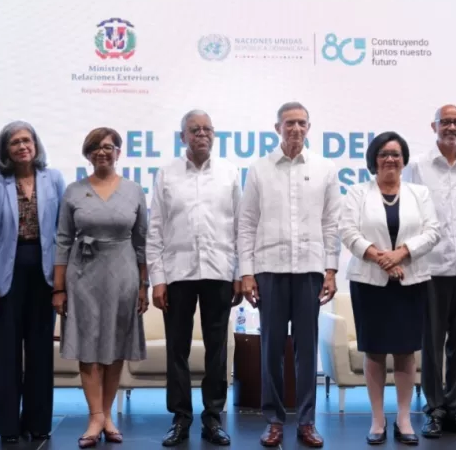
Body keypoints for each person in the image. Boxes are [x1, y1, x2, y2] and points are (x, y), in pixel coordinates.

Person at [238, 102, 341, 448]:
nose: (296, 128)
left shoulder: (325, 168)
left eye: (301, 123)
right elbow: (247, 223)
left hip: (310, 269)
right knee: (270, 349)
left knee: (307, 349)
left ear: (309, 127)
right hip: (269, 269)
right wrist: (247, 272)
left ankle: (307, 421)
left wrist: (330, 270)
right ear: (277, 127)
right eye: (289, 123)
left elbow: (331, 223)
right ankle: (274, 421)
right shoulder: (259, 169)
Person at [147, 110, 243, 447]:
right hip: (177, 272)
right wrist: (158, 279)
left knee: (217, 348)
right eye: (194, 130)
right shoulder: (167, 173)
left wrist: (239, 273)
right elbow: (156, 227)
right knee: (177, 348)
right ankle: (180, 418)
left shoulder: (229, 172)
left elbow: (240, 227)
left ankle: (213, 417)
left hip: (219, 270)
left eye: (207, 129)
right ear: (183, 137)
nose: (201, 134)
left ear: (214, 134)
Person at [340, 131, 440, 446]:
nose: (390, 159)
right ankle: (378, 419)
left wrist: (401, 254)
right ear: (374, 159)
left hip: (411, 281)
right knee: (374, 352)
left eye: (396, 154)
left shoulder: (419, 193)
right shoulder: (357, 192)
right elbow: (348, 231)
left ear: (404, 160)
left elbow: (433, 232)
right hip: (369, 282)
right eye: (384, 154)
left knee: (406, 352)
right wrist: (382, 259)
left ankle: (404, 419)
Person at [54, 127, 149, 448]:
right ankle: (95, 416)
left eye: (109, 147)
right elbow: (63, 240)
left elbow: (142, 241)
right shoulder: (73, 191)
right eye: (96, 147)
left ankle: (107, 415)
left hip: (123, 274)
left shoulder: (134, 191)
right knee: (88, 346)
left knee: (115, 345)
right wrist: (58, 288)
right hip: (82, 275)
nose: (102, 152)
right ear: (88, 154)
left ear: (119, 152)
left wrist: (144, 285)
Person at [0, 121, 67, 444]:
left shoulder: (53, 179)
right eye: (14, 142)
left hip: (45, 274)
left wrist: (62, 282)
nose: (22, 146)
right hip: (8, 274)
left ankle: (38, 422)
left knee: (41, 351)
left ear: (35, 144)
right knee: (7, 352)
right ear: (6, 150)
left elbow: (63, 232)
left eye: (26, 140)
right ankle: (7, 425)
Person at [405, 105, 456, 439]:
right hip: (431, 266)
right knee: (432, 342)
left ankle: (454, 408)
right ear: (434, 126)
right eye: (446, 122)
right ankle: (434, 409)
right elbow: (409, 214)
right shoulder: (417, 166)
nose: (451, 127)